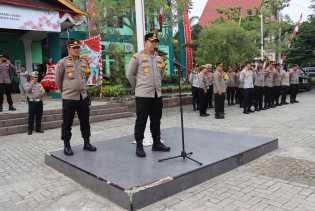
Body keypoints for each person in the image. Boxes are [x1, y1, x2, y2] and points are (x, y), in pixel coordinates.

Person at [126, 33, 170, 158]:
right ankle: (139, 145)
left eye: (156, 42)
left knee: (156, 120)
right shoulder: (137, 57)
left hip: (157, 94)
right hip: (143, 95)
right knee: (141, 121)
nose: (154, 44)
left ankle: (156, 143)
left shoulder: (159, 58)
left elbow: (161, 76)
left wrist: (162, 71)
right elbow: (129, 74)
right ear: (146, 42)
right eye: (152, 41)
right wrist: (138, 88)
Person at [55, 40, 97, 156]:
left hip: (83, 96)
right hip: (69, 98)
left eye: (78, 48)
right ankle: (67, 145)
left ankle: (87, 143)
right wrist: (66, 91)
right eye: (74, 48)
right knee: (67, 123)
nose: (77, 50)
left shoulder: (84, 61)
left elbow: (87, 76)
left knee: (85, 122)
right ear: (69, 49)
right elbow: (58, 80)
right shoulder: (62, 62)